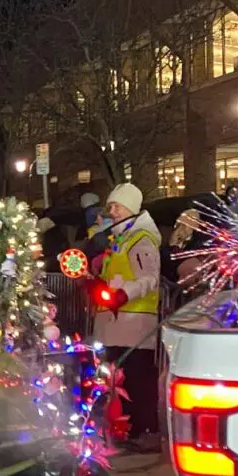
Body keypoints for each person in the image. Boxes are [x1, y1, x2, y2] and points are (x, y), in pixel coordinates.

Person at [90, 183, 162, 452]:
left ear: (131, 207)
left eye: (116, 206)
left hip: (135, 322)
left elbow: (149, 278)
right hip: (117, 322)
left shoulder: (141, 239)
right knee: (120, 379)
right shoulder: (121, 238)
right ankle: (127, 427)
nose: (112, 211)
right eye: (110, 206)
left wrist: (122, 294)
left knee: (137, 378)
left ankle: (145, 429)